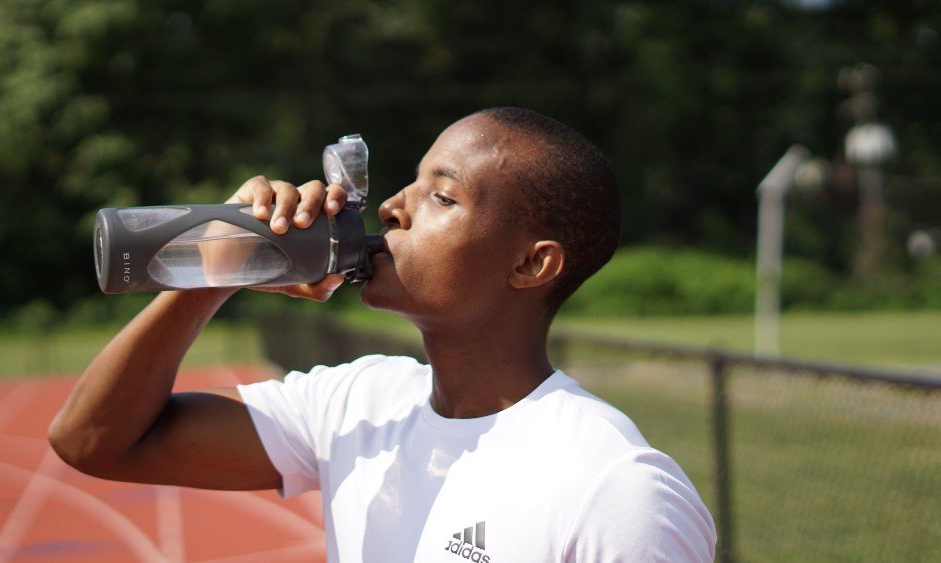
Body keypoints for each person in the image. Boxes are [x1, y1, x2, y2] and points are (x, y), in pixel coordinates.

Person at [50, 107, 716, 562]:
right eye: (410, 182)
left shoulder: (617, 488)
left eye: (443, 197)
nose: (394, 206)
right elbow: (92, 440)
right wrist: (223, 260)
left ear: (530, 263)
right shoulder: (359, 402)